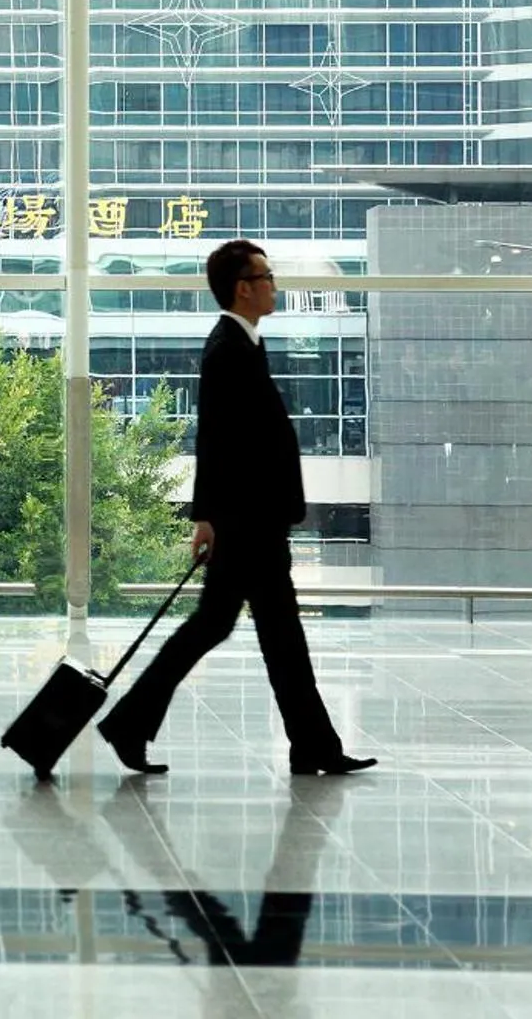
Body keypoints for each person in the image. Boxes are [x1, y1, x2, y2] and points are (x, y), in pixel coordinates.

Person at [96, 239, 375, 778]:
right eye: (267, 276)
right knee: (248, 629)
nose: (275, 284)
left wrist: (209, 513)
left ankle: (310, 744)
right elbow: (217, 440)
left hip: (252, 519)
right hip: (248, 523)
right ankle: (133, 723)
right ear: (244, 287)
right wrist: (208, 516)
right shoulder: (227, 349)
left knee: (263, 630)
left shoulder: (243, 344)